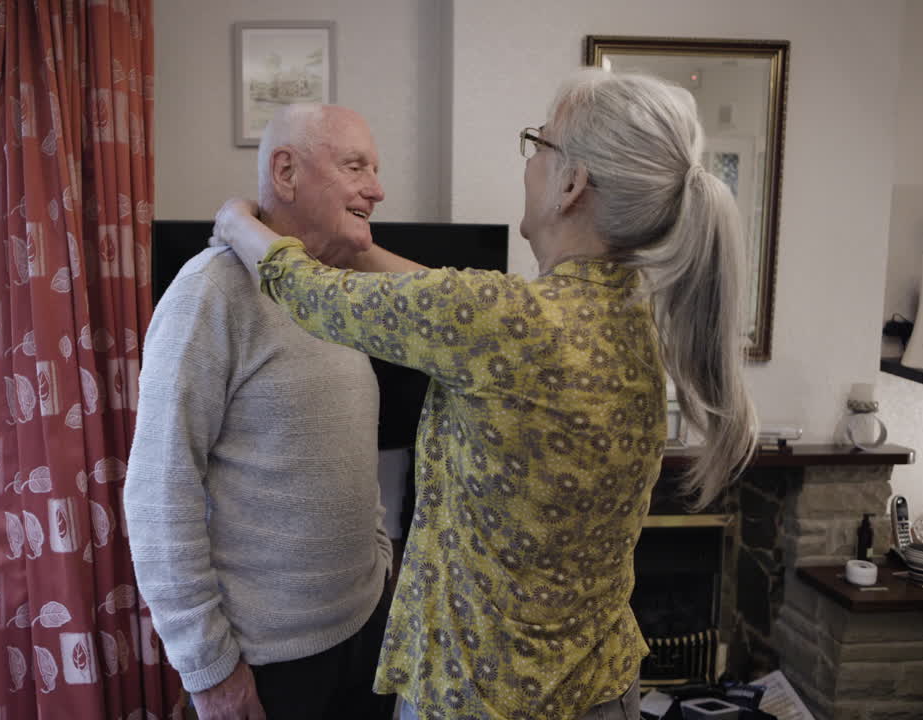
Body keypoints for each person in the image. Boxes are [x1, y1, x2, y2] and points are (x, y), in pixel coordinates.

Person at [213, 69, 758, 720]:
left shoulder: (506, 326)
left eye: (539, 143)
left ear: (572, 182)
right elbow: (450, 310)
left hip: (482, 698)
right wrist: (359, 252)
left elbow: (318, 295)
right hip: (600, 688)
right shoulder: (631, 322)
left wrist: (235, 223)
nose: (529, 163)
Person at [124, 103, 397, 720]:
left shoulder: (343, 296)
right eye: (356, 167)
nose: (377, 189)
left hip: (365, 631)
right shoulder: (208, 293)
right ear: (286, 171)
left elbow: (348, 450)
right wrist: (209, 668)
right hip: (268, 665)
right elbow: (158, 492)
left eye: (376, 170)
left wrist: (379, 561)